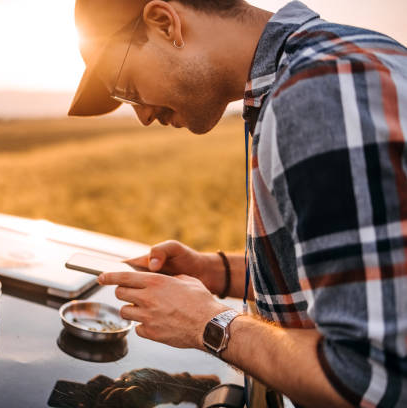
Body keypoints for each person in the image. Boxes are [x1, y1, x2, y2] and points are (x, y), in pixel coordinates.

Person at [67, 1, 407, 407]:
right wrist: (216, 271)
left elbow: (373, 381)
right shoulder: (333, 60)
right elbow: (368, 269)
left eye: (128, 89)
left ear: (164, 22)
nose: (141, 115)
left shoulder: (316, 94)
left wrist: (207, 323)